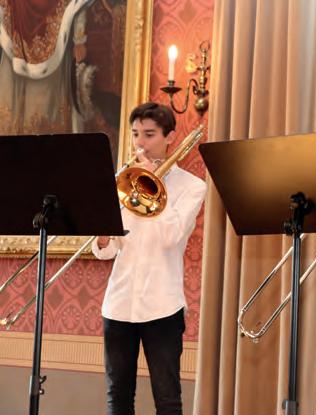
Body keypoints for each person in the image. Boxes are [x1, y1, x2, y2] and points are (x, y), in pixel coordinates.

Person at [92, 102, 207, 415]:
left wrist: (154, 186)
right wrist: (101, 238)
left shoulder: (192, 187)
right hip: (118, 304)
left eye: (149, 134)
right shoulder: (122, 180)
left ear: (170, 137)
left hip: (162, 306)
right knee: (118, 399)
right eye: (135, 134)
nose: (140, 142)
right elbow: (107, 251)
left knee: (167, 401)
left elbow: (171, 237)